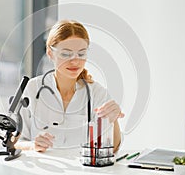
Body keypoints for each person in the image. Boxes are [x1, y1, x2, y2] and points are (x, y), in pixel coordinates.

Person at [15, 20, 124, 153]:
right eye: (66, 54)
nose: (75, 61)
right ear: (50, 53)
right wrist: (33, 145)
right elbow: (15, 143)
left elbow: (113, 148)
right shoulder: (33, 88)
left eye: (81, 54)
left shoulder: (97, 93)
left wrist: (114, 120)